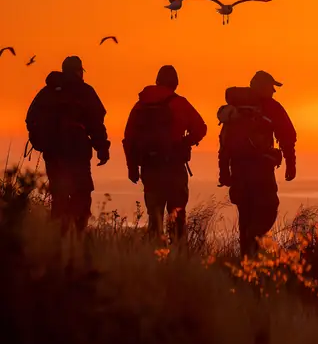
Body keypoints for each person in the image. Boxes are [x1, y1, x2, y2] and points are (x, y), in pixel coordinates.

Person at [25, 56, 110, 236]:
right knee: (82, 193)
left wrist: (41, 140)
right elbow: (96, 123)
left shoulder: (47, 92)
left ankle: (58, 234)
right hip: (77, 151)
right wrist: (102, 148)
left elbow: (30, 118)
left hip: (53, 152)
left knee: (59, 195)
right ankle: (76, 234)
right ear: (79, 71)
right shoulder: (85, 91)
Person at [122, 65, 207, 245]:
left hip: (149, 167)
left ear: (157, 80)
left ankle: (154, 256)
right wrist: (186, 142)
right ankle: (177, 256)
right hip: (174, 167)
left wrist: (132, 168)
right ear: (175, 83)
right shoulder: (180, 103)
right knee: (177, 215)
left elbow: (128, 138)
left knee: (155, 216)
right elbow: (201, 128)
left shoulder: (140, 105)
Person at [217, 70, 297, 258]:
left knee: (245, 217)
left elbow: (224, 143)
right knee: (269, 208)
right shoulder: (271, 107)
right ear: (262, 87)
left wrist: (224, 172)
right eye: (271, 87)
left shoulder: (234, 111)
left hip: (237, 170)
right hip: (261, 170)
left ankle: (247, 264)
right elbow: (287, 136)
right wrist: (290, 164)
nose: (274, 92)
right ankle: (253, 252)